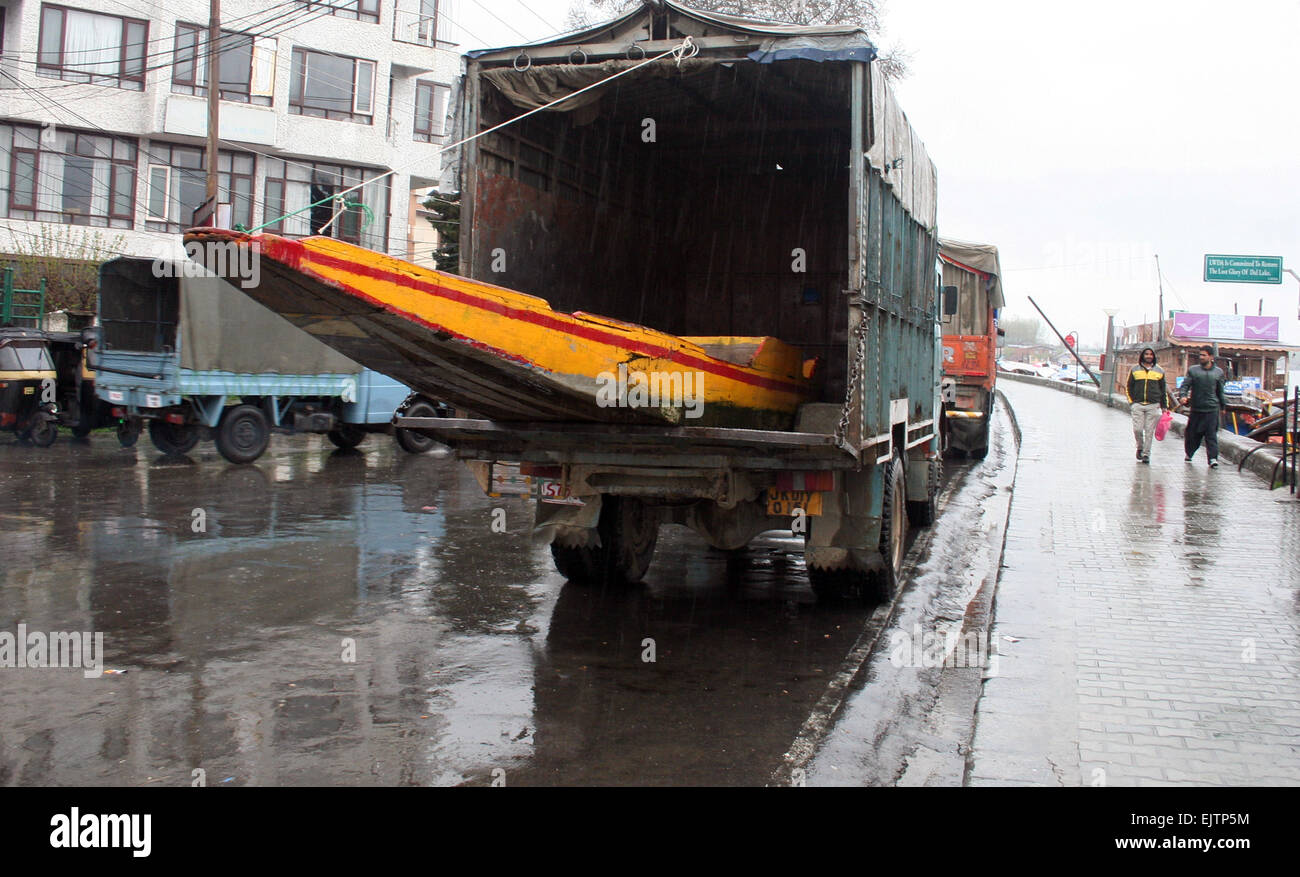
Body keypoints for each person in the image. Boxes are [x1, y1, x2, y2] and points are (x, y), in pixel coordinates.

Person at [1179, 345, 1228, 468]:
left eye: (1204, 355)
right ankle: (1189, 453)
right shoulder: (1193, 370)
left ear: (1211, 357)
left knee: (1211, 435)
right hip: (1196, 408)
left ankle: (1212, 458)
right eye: (1200, 355)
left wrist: (1223, 406)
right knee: (1192, 434)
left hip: (1212, 409)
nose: (1201, 357)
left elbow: (1220, 391)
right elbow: (1185, 385)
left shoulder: (1218, 372)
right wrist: (1183, 396)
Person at [1126, 347, 1169, 464]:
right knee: (1138, 429)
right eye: (1146, 354)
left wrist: (1164, 406)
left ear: (1153, 356)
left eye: (1151, 354)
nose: (1149, 356)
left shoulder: (1159, 371)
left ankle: (1146, 454)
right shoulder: (1134, 369)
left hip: (1153, 405)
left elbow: (1163, 389)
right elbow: (1128, 386)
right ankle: (1140, 447)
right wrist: (1132, 402)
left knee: (1149, 431)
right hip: (1138, 404)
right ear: (1143, 356)